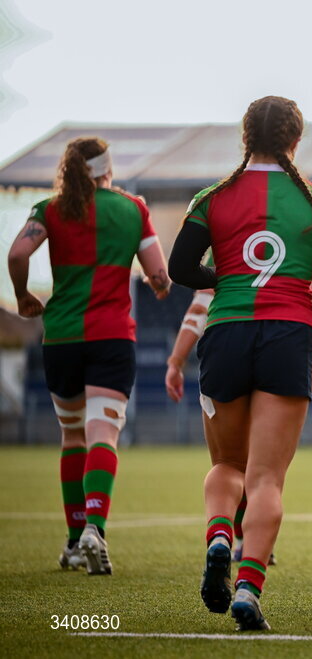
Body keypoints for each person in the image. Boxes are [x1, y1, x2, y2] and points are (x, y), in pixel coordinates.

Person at [168, 95, 312, 631]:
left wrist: (224, 279)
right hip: (288, 335)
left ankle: (218, 538)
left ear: (245, 137)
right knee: (268, 478)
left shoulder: (212, 198)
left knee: (227, 467)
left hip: (227, 333)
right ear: (296, 142)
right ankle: (250, 587)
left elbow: (182, 267)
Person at [7, 137, 170, 575]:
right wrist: (159, 286)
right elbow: (159, 274)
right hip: (112, 338)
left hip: (61, 339)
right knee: (104, 434)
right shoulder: (132, 209)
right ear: (107, 169)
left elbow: (18, 252)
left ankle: (74, 542)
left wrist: (23, 297)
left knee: (73, 437)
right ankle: (95, 528)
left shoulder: (49, 210)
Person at [165, 278, 312, 566]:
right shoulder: (301, 234)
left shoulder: (224, 234)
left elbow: (198, 308)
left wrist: (176, 361)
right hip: (284, 343)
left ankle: (220, 535)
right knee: (266, 470)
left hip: (226, 340)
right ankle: (251, 549)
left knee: (229, 463)